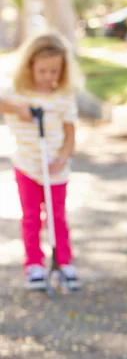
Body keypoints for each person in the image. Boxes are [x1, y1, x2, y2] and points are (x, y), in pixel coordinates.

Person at [0, 32, 82, 291]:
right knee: (31, 217)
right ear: (30, 66)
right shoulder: (17, 93)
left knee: (57, 216)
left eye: (54, 71)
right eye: (42, 70)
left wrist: (63, 157)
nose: (48, 77)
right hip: (27, 166)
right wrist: (17, 109)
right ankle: (33, 264)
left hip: (55, 170)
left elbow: (70, 134)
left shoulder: (63, 97)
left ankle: (64, 262)